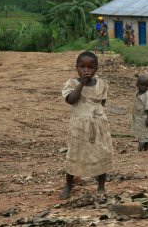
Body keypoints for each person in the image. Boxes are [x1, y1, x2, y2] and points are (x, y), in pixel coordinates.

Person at [60, 51, 114, 199]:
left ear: (96, 68)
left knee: (101, 152)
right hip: (79, 127)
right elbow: (71, 100)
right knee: (75, 154)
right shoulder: (72, 84)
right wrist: (82, 83)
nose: (86, 70)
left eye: (90, 67)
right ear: (76, 67)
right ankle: (68, 185)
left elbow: (102, 103)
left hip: (98, 125)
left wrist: (97, 117)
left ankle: (101, 186)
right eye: (82, 67)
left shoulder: (102, 84)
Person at [132, 75, 148, 152]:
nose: (144, 87)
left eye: (146, 85)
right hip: (139, 118)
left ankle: (139, 151)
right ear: (137, 85)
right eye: (142, 85)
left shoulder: (147, 96)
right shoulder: (137, 93)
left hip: (145, 119)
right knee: (144, 136)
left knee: (143, 136)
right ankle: (145, 150)